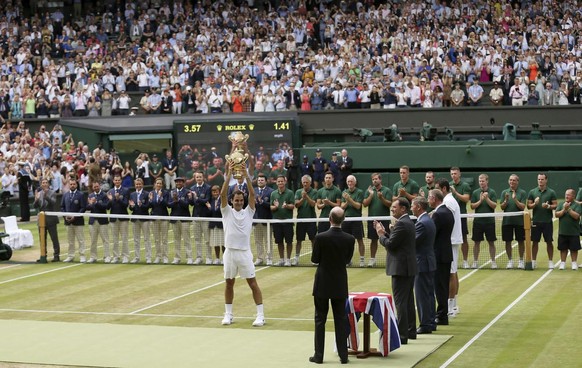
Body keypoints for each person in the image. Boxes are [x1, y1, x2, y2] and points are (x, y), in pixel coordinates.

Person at [220, 161, 264, 327]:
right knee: (229, 283)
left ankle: (260, 315)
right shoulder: (226, 211)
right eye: (236, 200)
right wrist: (229, 175)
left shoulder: (249, 211)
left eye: (240, 200)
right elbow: (223, 195)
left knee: (252, 283)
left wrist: (246, 177)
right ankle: (228, 314)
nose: (238, 202)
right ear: (231, 201)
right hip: (229, 253)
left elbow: (252, 196)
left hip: (244, 253)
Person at [310, 206, 354, 364]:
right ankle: (344, 356)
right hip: (339, 283)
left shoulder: (321, 237)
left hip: (322, 283)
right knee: (340, 319)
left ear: (330, 219)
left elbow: (315, 259)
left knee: (320, 320)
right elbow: (347, 259)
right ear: (343, 220)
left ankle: (318, 356)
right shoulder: (350, 239)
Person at [374, 197, 417, 344]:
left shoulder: (402, 224)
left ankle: (402, 336)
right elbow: (396, 241)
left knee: (401, 303)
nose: (392, 209)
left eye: (394, 207)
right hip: (408, 267)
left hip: (401, 269)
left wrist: (380, 235)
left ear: (403, 209)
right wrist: (386, 233)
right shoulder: (407, 223)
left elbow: (391, 245)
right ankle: (411, 331)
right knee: (409, 301)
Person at [435, 179, 463, 318]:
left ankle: (451, 306)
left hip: (450, 241)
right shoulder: (448, 201)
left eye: (437, 188)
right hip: (451, 240)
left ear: (444, 189)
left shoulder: (448, 202)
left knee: (451, 273)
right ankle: (454, 304)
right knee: (453, 272)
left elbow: (445, 221)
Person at [428, 189, 454, 327]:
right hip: (445, 253)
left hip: (439, 255)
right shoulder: (447, 211)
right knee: (442, 286)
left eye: (429, 198)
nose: (428, 200)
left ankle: (442, 315)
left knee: (439, 287)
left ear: (434, 198)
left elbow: (432, 233)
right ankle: (442, 314)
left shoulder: (438, 214)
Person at [411, 196, 436, 334]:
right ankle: (431, 322)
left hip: (422, 263)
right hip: (428, 262)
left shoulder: (422, 223)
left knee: (422, 295)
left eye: (412, 205)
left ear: (419, 207)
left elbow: (412, 242)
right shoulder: (428, 220)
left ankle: (425, 324)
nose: (411, 208)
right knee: (429, 294)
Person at [527, 173, 558, 269]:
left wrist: (548, 206)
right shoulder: (532, 192)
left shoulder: (551, 192)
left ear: (546, 180)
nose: (540, 181)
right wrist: (535, 204)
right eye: (539, 179)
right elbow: (528, 206)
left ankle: (550, 261)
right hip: (536, 221)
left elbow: (555, 205)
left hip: (547, 221)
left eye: (542, 179)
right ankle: (533, 261)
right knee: (535, 242)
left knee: (549, 242)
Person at [363, 173, 392, 267]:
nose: (374, 181)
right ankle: (372, 260)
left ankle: (390, 259)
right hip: (372, 219)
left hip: (384, 219)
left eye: (376, 179)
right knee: (373, 240)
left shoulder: (387, 190)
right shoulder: (369, 190)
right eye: (373, 179)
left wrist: (381, 198)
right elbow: (365, 204)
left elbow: (389, 204)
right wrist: (371, 195)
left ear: (380, 180)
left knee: (387, 239)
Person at [470, 174, 498, 269]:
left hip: (490, 222)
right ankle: (475, 261)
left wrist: (487, 199)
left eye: (483, 181)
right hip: (478, 222)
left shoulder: (492, 192)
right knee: (476, 242)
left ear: (487, 181)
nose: (481, 183)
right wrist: (481, 200)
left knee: (491, 242)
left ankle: (493, 262)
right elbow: (472, 206)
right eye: (480, 181)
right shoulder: (475, 192)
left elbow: (494, 206)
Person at [500, 174, 527, 269]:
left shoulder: (522, 193)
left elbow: (523, 207)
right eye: (510, 180)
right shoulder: (504, 192)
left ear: (517, 182)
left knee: (520, 241)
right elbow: (502, 207)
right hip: (507, 221)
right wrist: (506, 200)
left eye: (514, 180)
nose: (512, 182)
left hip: (519, 222)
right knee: (508, 241)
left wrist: (515, 199)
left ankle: (521, 261)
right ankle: (510, 261)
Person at [270, 175, 295, 266]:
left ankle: (288, 259)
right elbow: (271, 207)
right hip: (277, 222)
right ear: (276, 183)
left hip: (287, 221)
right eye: (279, 181)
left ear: (285, 182)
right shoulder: (273, 194)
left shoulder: (290, 193)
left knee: (289, 241)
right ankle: (281, 259)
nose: (280, 183)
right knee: (279, 241)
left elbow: (293, 206)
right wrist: (275, 206)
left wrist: (287, 206)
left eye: (282, 181)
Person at [33, 178, 60, 262]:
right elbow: (35, 206)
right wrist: (36, 199)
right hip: (41, 219)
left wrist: (46, 196)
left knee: (54, 238)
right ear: (41, 184)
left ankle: (56, 256)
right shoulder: (39, 193)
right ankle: (43, 256)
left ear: (48, 184)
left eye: (46, 183)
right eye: (43, 183)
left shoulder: (52, 193)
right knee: (42, 239)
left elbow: (53, 203)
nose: (44, 184)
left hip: (51, 219)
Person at [450, 167, 471, 269]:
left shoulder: (465, 185)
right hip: (449, 217)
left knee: (464, 238)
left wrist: (455, 193)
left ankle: (465, 261)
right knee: (449, 239)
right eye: (452, 174)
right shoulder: (448, 185)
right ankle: (451, 261)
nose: (453, 175)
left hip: (461, 216)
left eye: (455, 173)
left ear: (459, 174)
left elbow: (466, 199)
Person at [341, 175, 364, 267]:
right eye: (348, 181)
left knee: (359, 240)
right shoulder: (344, 192)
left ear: (355, 182)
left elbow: (358, 206)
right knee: (346, 241)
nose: (350, 183)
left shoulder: (359, 192)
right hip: (346, 220)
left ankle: (362, 260)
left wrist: (349, 199)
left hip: (357, 220)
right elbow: (342, 207)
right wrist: (347, 201)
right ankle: (347, 260)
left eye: (351, 181)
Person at [168, 177, 193, 264]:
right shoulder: (172, 192)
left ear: (183, 183)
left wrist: (178, 200)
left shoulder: (187, 192)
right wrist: (174, 202)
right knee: (176, 239)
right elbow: (169, 205)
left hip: (184, 219)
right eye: (177, 182)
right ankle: (177, 258)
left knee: (186, 239)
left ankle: (189, 257)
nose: (178, 183)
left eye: (180, 182)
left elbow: (187, 204)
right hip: (175, 218)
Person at [61, 178, 86, 263]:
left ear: (76, 185)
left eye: (74, 184)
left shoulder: (81, 195)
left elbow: (83, 208)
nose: (72, 185)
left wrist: (75, 217)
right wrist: (65, 217)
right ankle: (70, 255)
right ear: (69, 185)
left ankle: (82, 255)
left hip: (78, 222)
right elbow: (62, 207)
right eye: (71, 184)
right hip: (68, 222)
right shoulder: (65, 195)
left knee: (81, 240)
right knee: (70, 241)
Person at [295, 175, 318, 267]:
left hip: (311, 219)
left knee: (313, 240)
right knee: (299, 240)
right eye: (303, 182)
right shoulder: (298, 192)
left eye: (306, 182)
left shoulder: (314, 192)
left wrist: (306, 197)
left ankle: (315, 258)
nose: (305, 184)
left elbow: (313, 204)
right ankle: (296, 258)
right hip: (301, 220)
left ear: (310, 183)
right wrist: (302, 198)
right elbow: (296, 205)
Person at [555, 189, 581, 270]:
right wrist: (564, 209)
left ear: (573, 196)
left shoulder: (577, 205)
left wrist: (569, 209)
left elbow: (576, 216)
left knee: (574, 249)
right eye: (566, 194)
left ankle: (574, 263)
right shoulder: (561, 204)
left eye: (568, 195)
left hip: (574, 232)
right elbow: (556, 214)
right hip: (563, 231)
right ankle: (562, 263)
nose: (566, 196)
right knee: (563, 248)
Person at [190, 171, 212, 265]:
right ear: (195, 178)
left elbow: (207, 200)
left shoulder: (208, 188)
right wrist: (191, 198)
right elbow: (192, 203)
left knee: (207, 239)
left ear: (203, 178)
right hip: (196, 216)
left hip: (205, 216)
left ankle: (209, 258)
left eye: (200, 177)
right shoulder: (192, 188)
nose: (198, 178)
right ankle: (199, 257)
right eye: (197, 177)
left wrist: (197, 198)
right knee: (197, 239)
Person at [107, 175, 130, 264]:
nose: (117, 181)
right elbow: (108, 207)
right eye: (115, 180)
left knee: (124, 238)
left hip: (123, 218)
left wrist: (117, 199)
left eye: (118, 180)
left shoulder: (126, 190)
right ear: (113, 181)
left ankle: (125, 256)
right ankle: (116, 256)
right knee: (115, 239)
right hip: (113, 219)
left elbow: (125, 205)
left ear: (121, 181)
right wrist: (111, 200)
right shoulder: (110, 191)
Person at [86, 182, 111, 263]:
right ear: (92, 187)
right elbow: (87, 207)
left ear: (99, 186)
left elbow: (106, 206)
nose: (96, 188)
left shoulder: (104, 195)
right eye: (94, 186)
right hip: (93, 221)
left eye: (97, 186)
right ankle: (93, 257)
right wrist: (91, 204)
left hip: (102, 221)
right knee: (93, 240)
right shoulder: (90, 195)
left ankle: (107, 256)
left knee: (105, 240)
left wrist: (95, 203)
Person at [129, 178, 151, 263]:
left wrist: (141, 205)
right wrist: (132, 206)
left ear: (142, 184)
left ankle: (148, 257)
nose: (138, 185)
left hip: (144, 219)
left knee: (146, 239)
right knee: (136, 239)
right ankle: (137, 257)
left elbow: (148, 206)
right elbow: (130, 208)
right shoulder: (132, 194)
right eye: (136, 184)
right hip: (135, 219)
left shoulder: (146, 194)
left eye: (139, 184)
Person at [253, 174, 273, 266]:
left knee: (268, 240)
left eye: (262, 180)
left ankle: (269, 258)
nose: (260, 181)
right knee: (258, 240)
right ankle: (260, 258)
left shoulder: (271, 191)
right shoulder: (254, 191)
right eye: (259, 180)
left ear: (266, 181)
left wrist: (262, 202)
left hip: (267, 220)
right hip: (256, 220)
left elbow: (271, 206)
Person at [149, 177, 170, 264]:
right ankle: (158, 256)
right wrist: (150, 200)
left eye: (160, 184)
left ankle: (165, 257)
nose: (158, 185)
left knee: (164, 239)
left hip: (164, 218)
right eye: (157, 183)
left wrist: (161, 197)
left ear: (162, 185)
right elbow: (150, 206)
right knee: (157, 239)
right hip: (154, 218)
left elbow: (167, 204)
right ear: (155, 184)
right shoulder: (151, 193)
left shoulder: (165, 193)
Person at [208, 185, 224, 264]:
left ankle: (224, 258)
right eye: (213, 192)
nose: (215, 193)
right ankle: (217, 258)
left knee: (223, 243)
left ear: (219, 192)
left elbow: (218, 211)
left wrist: (210, 208)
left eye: (216, 192)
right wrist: (210, 208)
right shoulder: (211, 200)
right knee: (216, 243)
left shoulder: (223, 200)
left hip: (221, 225)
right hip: (213, 225)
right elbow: (211, 212)